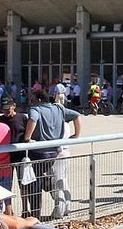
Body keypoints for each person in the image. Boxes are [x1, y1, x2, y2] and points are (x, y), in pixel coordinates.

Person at [23, 87, 82, 220]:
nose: (30, 102)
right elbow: (76, 115)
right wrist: (76, 135)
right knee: (58, 180)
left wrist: (27, 138)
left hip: (38, 151)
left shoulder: (35, 109)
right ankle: (62, 209)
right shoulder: (59, 109)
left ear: (38, 100)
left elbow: (32, 120)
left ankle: (35, 214)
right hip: (54, 151)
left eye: (32, 99)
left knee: (35, 184)